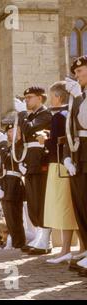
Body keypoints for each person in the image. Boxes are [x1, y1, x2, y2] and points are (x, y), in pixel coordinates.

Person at [39, 81, 80, 264]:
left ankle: (65, 249)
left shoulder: (58, 116)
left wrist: (44, 141)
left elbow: (56, 142)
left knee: (63, 208)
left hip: (59, 164)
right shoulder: (68, 113)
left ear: (58, 97)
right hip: (67, 163)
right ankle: (76, 248)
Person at [16, 86, 53, 255]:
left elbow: (29, 129)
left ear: (40, 98)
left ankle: (46, 239)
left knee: (40, 200)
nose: (26, 101)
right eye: (25, 98)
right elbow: (21, 140)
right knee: (33, 202)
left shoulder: (45, 114)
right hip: (30, 163)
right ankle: (40, 236)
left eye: (29, 97)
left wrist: (22, 114)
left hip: (40, 164)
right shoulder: (30, 116)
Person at [64, 56, 87, 277]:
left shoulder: (80, 96)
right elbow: (69, 128)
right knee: (81, 207)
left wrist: (79, 98)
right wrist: (66, 157)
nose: (77, 75)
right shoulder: (77, 96)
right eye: (76, 72)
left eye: (81, 71)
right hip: (78, 157)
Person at [0, 124, 26, 250]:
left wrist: (2, 144)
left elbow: (8, 159)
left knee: (15, 217)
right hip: (7, 184)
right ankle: (16, 242)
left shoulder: (19, 145)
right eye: (7, 132)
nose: (8, 134)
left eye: (10, 131)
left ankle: (19, 242)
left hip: (14, 184)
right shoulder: (10, 147)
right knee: (9, 217)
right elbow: (2, 167)